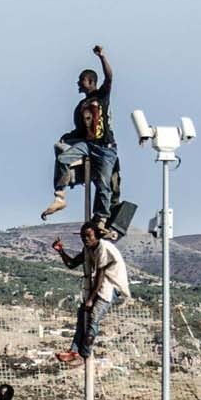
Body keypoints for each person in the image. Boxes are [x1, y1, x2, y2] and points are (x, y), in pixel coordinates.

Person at [40, 44, 117, 223]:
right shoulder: (80, 107)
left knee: (103, 185)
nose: (78, 83)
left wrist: (102, 56)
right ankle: (60, 196)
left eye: (81, 80)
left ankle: (101, 218)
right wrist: (68, 136)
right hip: (88, 145)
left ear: (90, 81)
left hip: (105, 146)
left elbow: (109, 77)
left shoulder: (101, 97)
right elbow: (81, 130)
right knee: (63, 158)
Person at [52, 220, 130, 365]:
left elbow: (100, 275)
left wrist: (90, 299)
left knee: (93, 318)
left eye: (88, 236)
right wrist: (61, 251)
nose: (85, 239)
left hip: (111, 285)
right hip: (98, 285)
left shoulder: (103, 248)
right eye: (83, 237)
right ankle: (74, 351)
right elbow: (72, 264)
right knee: (83, 316)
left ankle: (84, 354)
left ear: (97, 235)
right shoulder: (88, 249)